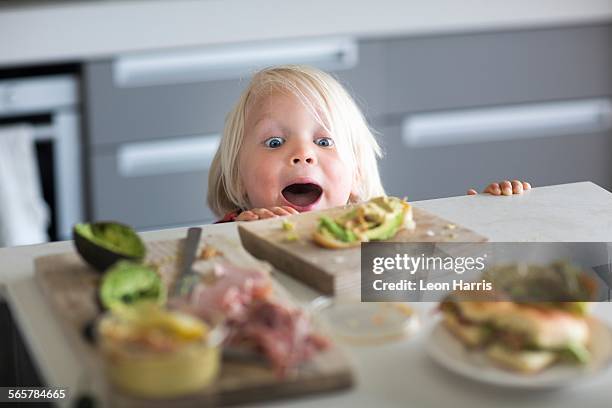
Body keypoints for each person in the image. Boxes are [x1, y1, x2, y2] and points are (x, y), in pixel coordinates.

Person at [207, 65, 530, 223]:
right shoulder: (235, 233)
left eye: (324, 141)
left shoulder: (377, 230)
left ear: (357, 174)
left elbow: (438, 277)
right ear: (237, 176)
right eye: (275, 141)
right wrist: (239, 239)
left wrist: (487, 219)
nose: (303, 154)